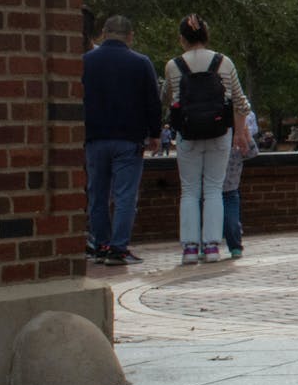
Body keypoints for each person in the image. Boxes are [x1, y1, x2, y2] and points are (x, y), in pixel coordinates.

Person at [161, 14, 251, 265]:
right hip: (219, 132)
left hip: (187, 134)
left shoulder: (173, 65)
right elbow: (241, 104)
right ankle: (212, 246)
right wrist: (239, 133)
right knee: (214, 189)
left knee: (189, 190)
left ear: (182, 39)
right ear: (207, 36)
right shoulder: (224, 62)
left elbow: (169, 99)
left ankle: (190, 248)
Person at [81, 15, 162, 266]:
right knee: (125, 195)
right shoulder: (141, 63)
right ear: (130, 36)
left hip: (94, 137)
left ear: (104, 33)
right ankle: (118, 248)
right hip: (129, 138)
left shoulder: (84, 62)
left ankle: (100, 244)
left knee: (97, 194)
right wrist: (155, 133)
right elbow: (153, 101)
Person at [221, 109, 260, 259]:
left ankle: (211, 246)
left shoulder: (235, 137)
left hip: (226, 187)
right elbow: (252, 152)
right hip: (229, 187)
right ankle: (234, 246)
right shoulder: (239, 134)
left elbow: (252, 152)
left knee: (229, 220)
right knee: (231, 220)